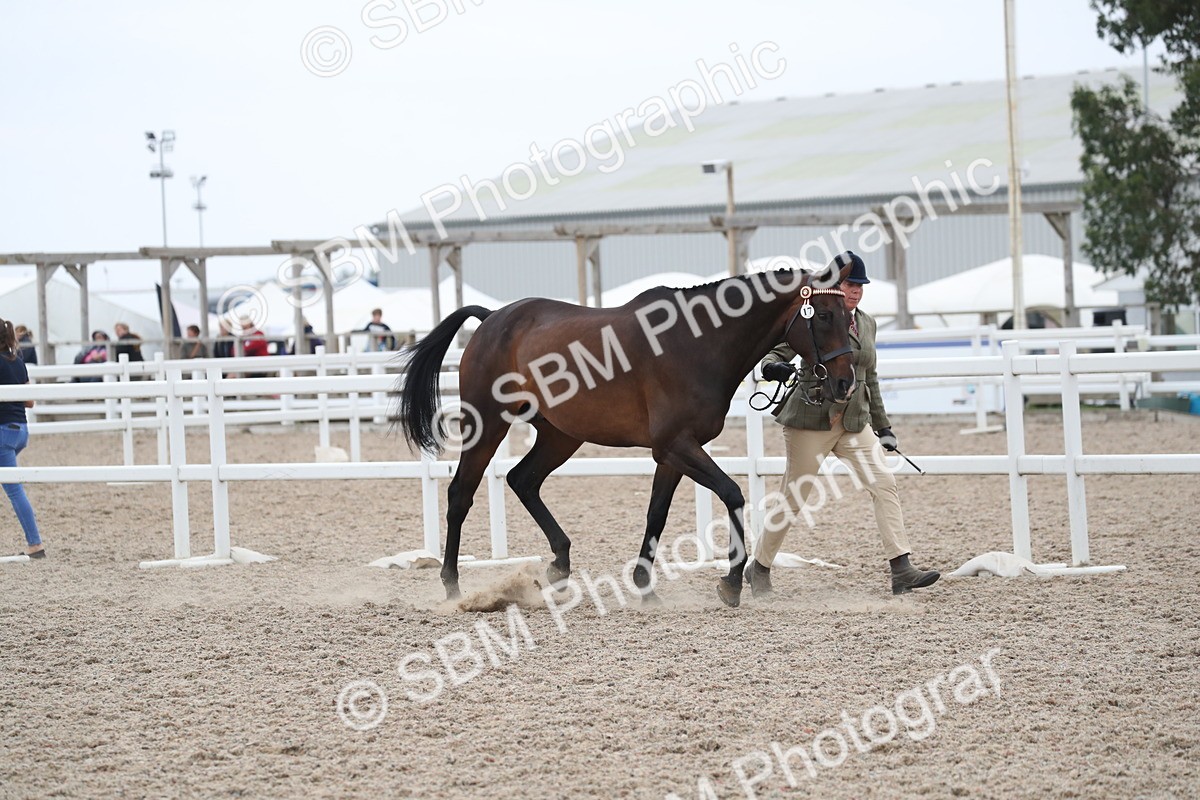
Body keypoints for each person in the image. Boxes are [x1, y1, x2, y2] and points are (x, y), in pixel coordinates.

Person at [747, 252, 940, 597]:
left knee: (884, 483)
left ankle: (901, 569)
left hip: (853, 421)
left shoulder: (866, 324)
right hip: (810, 421)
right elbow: (776, 354)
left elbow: (870, 378)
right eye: (850, 285)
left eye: (860, 286)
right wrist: (773, 367)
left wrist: (884, 427)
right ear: (837, 286)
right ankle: (759, 566)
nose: (855, 292)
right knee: (793, 499)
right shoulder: (816, 316)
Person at [0, 317, 44, 559]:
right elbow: (29, 400)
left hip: (3, 433)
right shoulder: (17, 361)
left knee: (14, 490)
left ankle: (35, 545)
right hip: (21, 432)